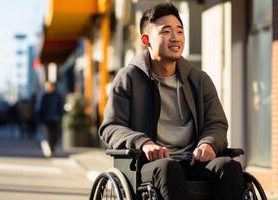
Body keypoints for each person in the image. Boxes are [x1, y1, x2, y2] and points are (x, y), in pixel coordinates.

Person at [99, 2, 245, 200]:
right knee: (169, 168)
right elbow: (111, 127)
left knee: (229, 167)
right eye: (166, 32)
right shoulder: (129, 78)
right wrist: (143, 143)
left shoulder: (199, 80)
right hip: (150, 165)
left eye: (179, 31)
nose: (175, 38)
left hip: (194, 161)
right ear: (146, 39)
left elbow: (216, 123)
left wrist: (208, 144)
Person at [38, 81, 64, 157]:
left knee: (54, 136)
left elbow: (60, 107)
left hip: (55, 119)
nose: (48, 88)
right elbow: (40, 109)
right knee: (48, 135)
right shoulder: (44, 96)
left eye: (49, 86)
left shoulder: (57, 96)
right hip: (46, 119)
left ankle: (52, 150)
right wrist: (40, 120)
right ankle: (49, 151)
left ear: (53, 87)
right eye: (46, 86)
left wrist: (60, 115)